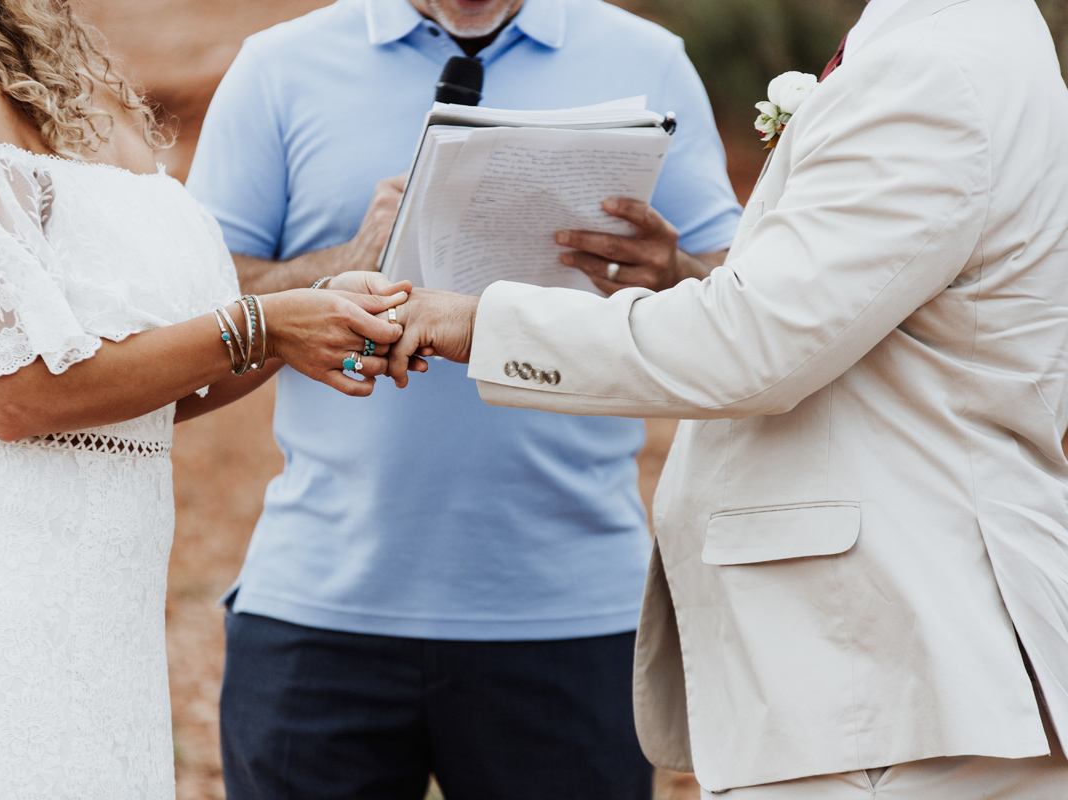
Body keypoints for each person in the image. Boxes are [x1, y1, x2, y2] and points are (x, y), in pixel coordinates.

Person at [381, 0, 1068, 797]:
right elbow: (860, 318)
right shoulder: (979, 40)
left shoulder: (932, 71)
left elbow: (757, 347)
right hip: (897, 668)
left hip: (884, 668)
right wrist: (690, 283)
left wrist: (476, 321)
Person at [186, 0, 742, 796]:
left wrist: (671, 271)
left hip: (573, 614)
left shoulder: (647, 58)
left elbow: (743, 302)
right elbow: (207, 313)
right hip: (317, 612)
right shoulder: (278, 66)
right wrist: (346, 258)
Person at [0, 1, 409, 796]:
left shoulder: (88, 85)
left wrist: (316, 313)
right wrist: (263, 322)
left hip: (103, 597)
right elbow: (18, 396)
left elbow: (155, 385)